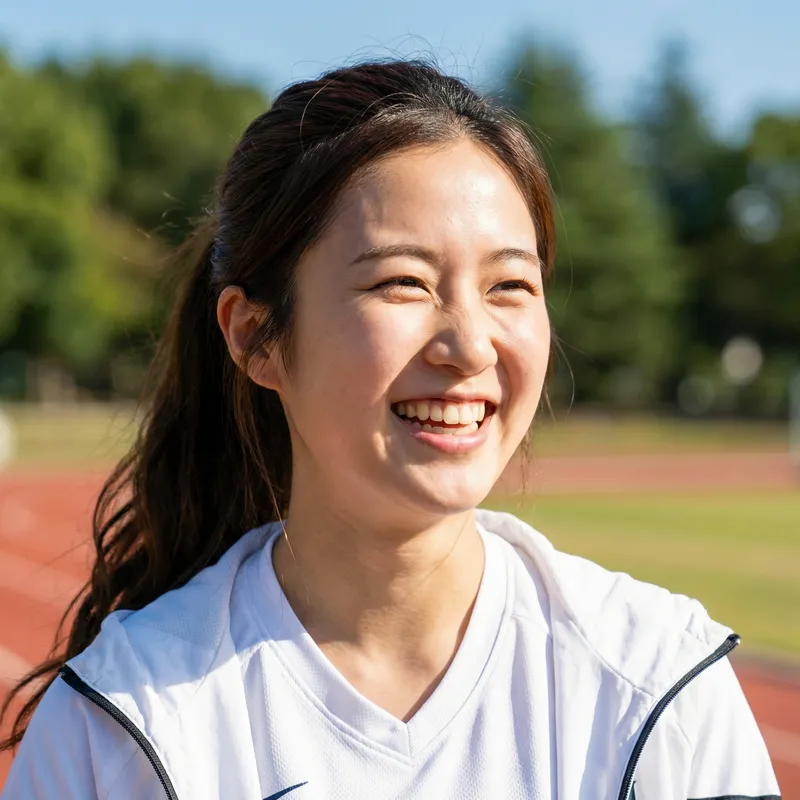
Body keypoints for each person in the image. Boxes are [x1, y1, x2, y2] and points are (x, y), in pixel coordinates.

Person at [1, 60, 780, 800]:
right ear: (254, 336)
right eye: (402, 283)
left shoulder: (654, 685)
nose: (470, 345)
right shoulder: (122, 724)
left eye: (510, 285)